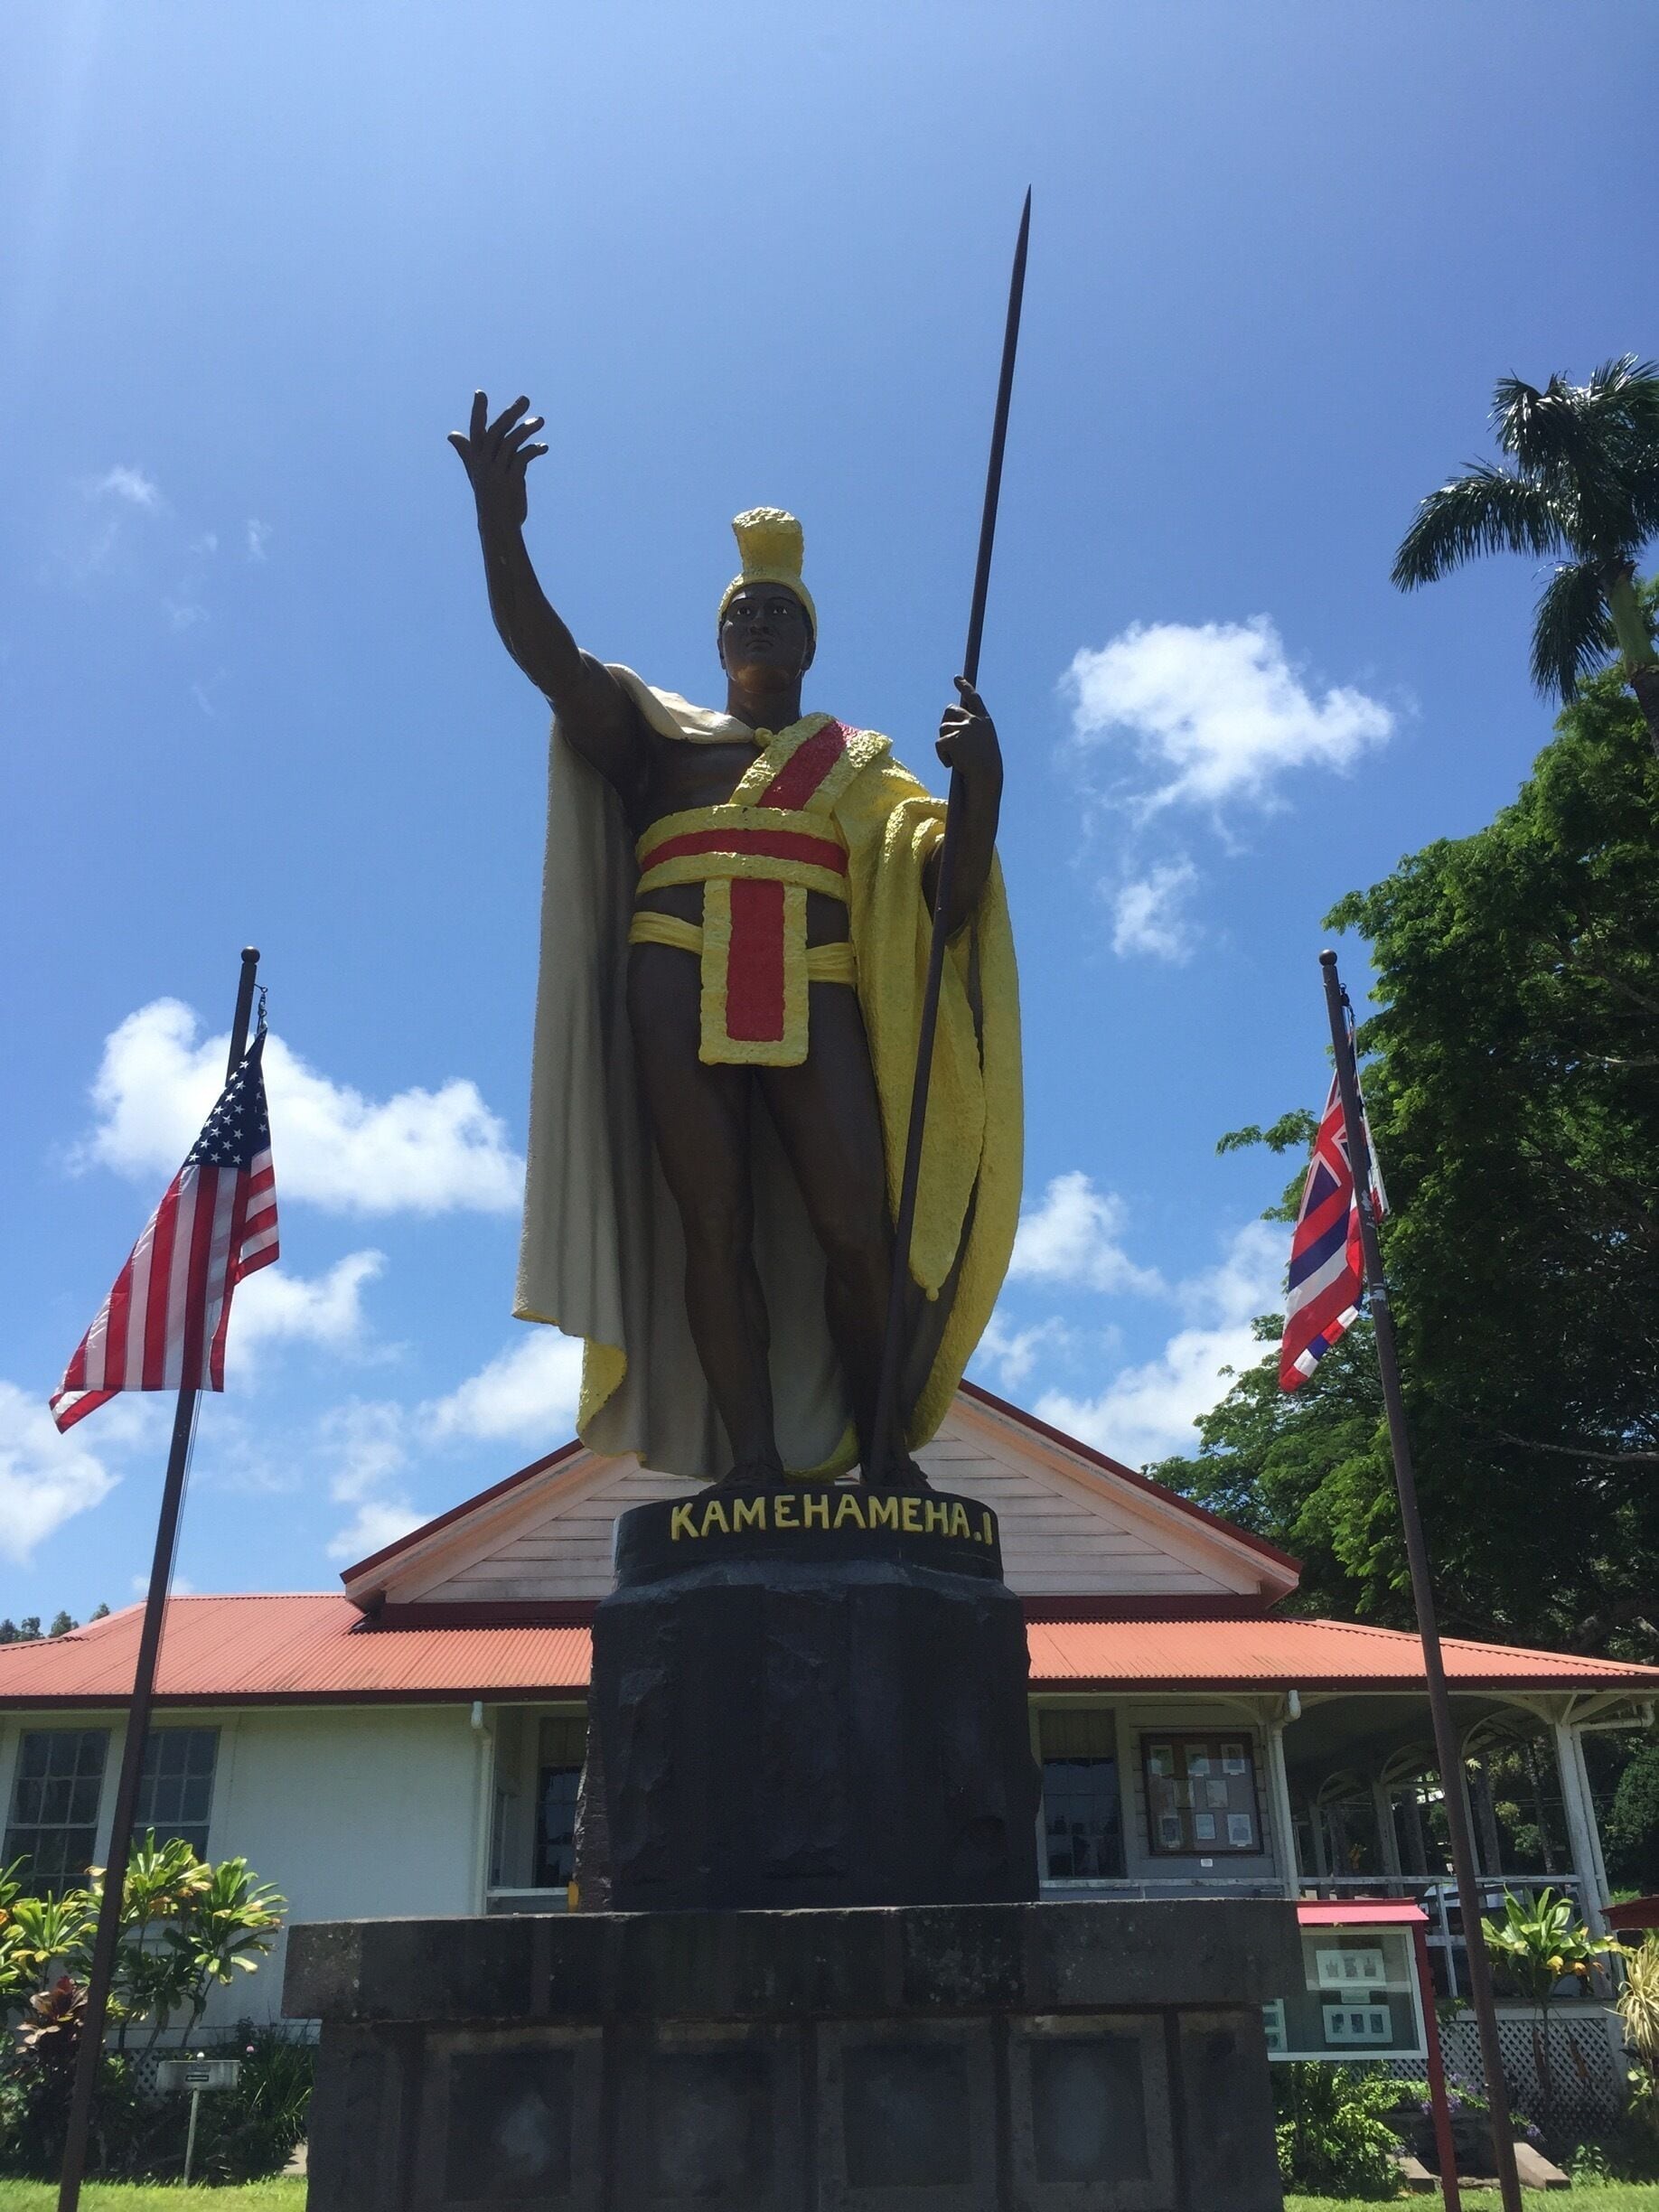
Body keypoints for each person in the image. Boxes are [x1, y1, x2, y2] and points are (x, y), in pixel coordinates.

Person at [450, 392, 1021, 1487]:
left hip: (819, 982)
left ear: (809, 642)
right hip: (676, 975)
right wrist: (500, 529)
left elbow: (946, 903)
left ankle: (884, 1456)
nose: (759, 622)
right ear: (718, 638)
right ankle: (750, 1460)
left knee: (856, 1230)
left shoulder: (863, 769)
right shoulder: (659, 738)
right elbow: (551, 659)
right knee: (710, 1224)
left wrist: (982, 786)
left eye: (779, 612)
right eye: (743, 611)